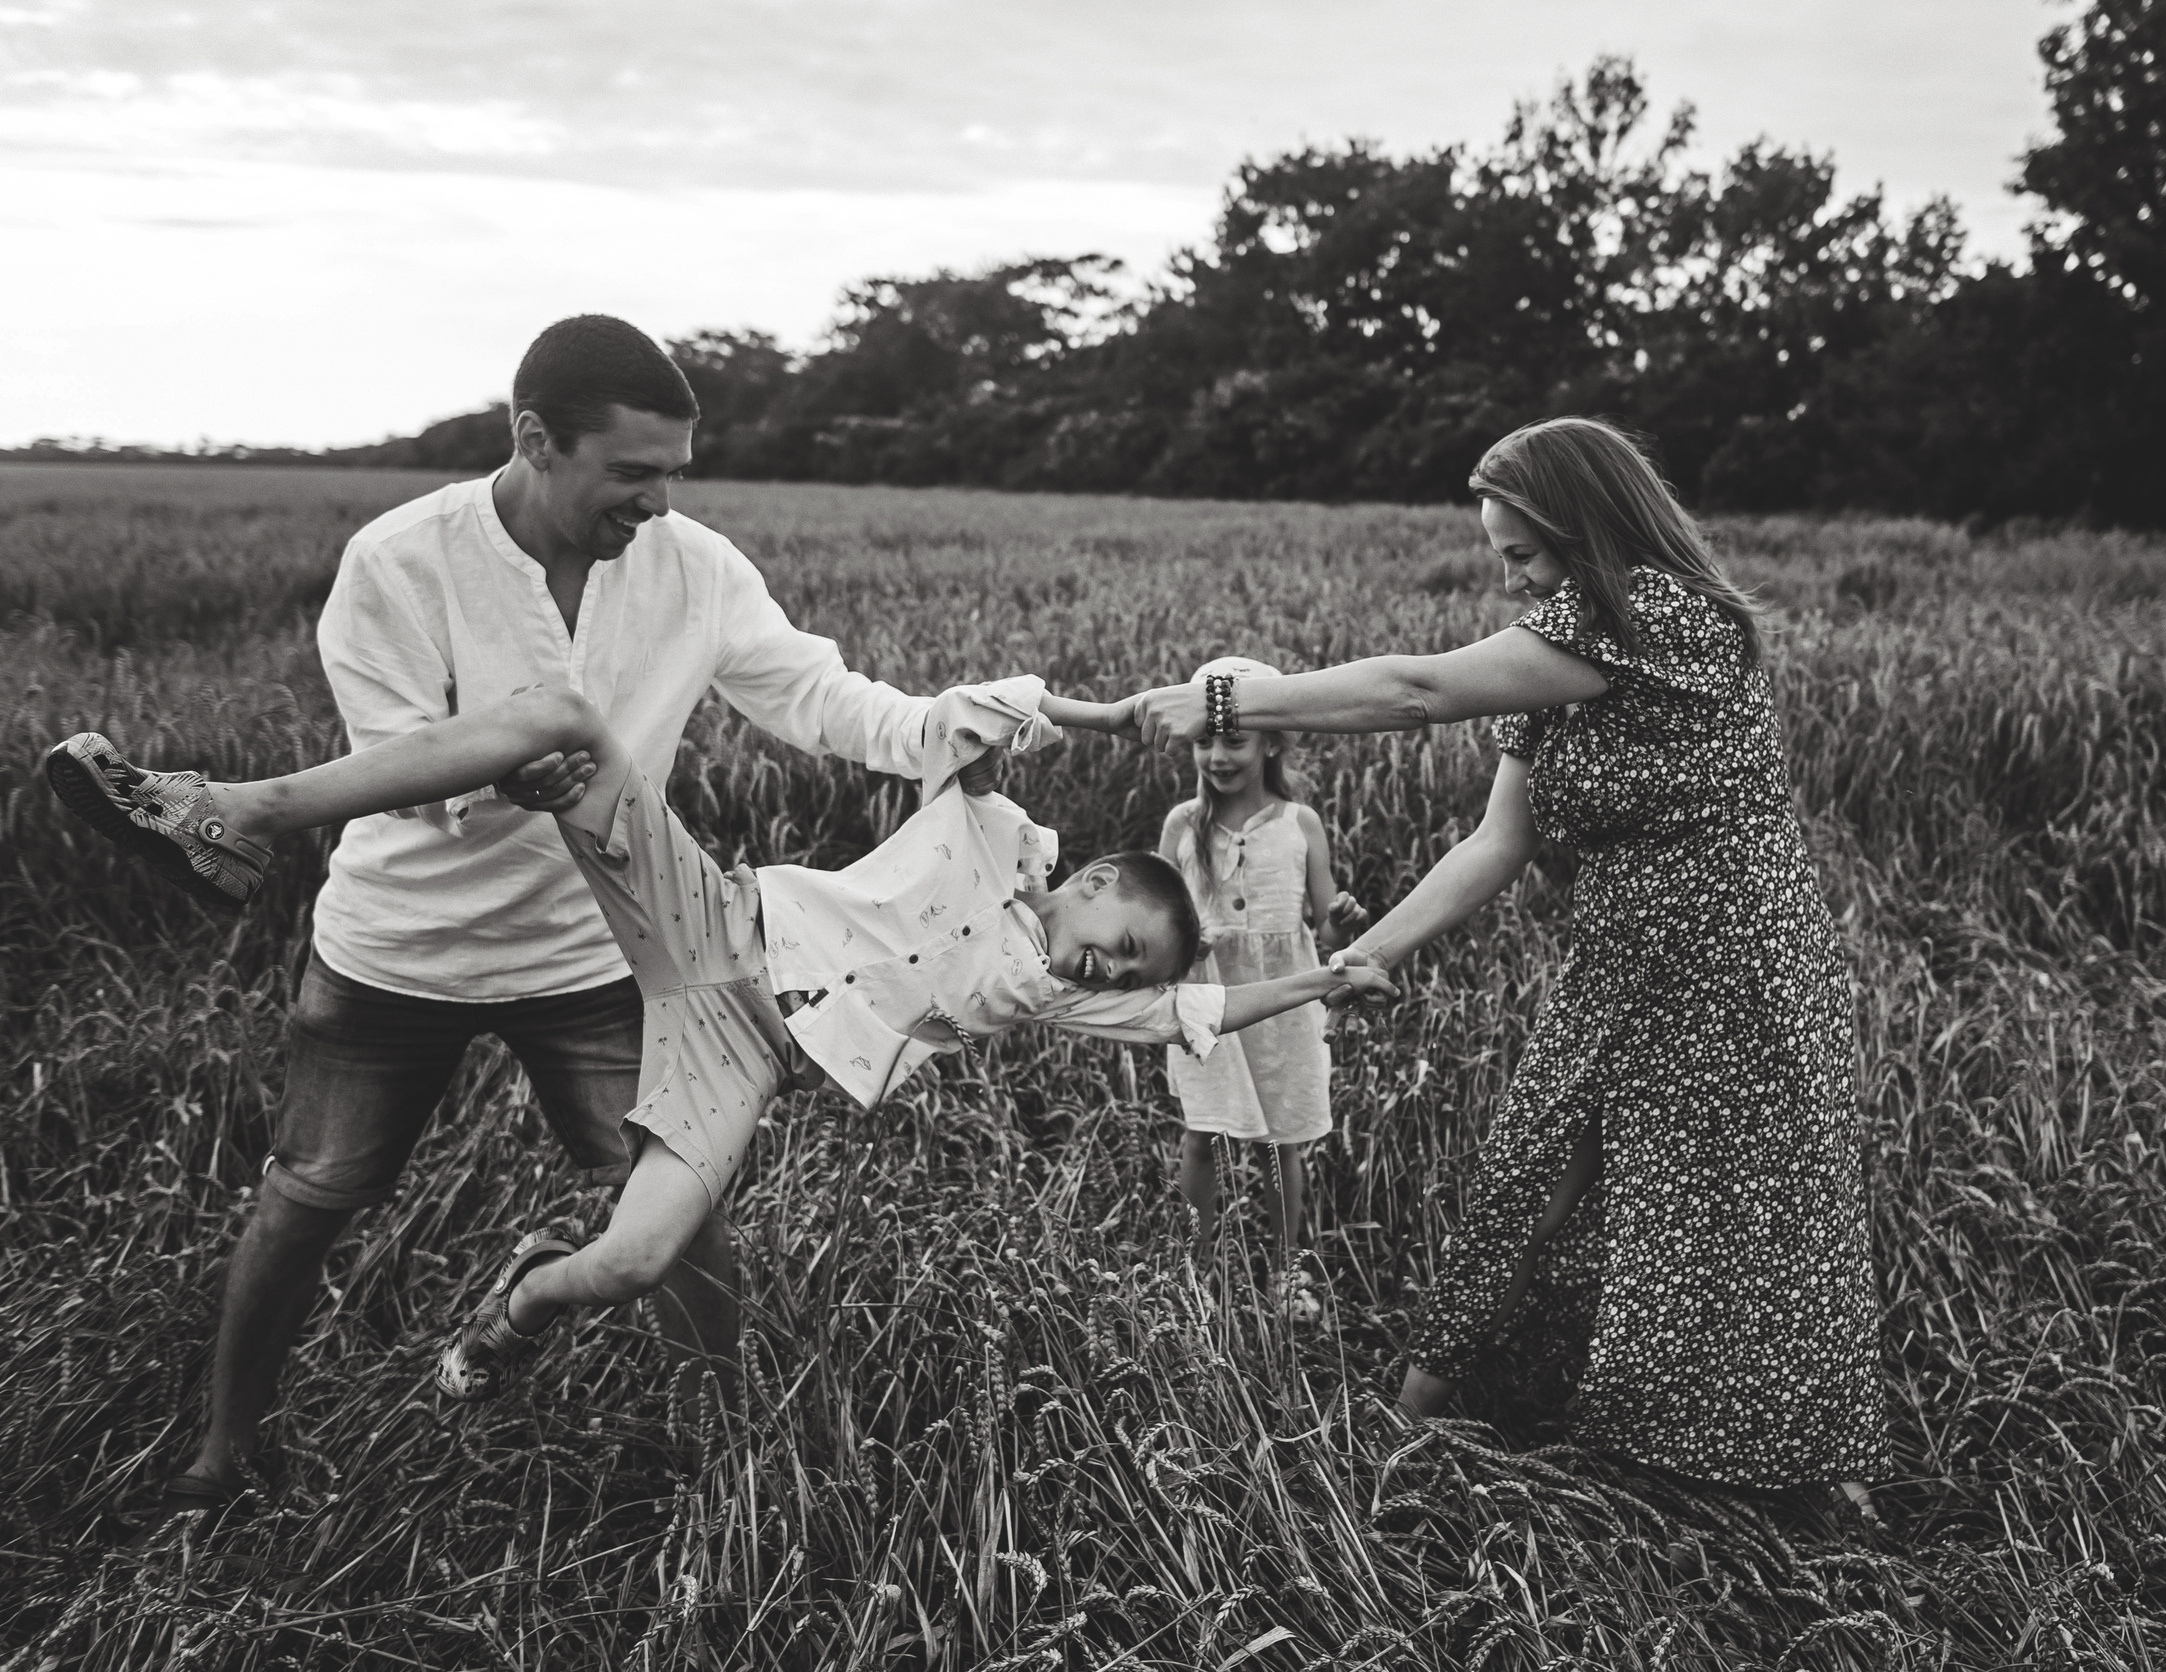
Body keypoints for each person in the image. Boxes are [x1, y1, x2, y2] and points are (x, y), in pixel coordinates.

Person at [134, 315, 1008, 1517]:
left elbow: (814, 693)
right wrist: (510, 774)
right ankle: (219, 1457)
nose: (657, 500)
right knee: (307, 1195)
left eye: (674, 474)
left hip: (597, 949)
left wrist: (938, 727)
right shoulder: (397, 560)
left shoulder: (694, 565)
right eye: (632, 472)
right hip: (400, 948)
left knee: (681, 1196)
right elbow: (398, 765)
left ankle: (724, 1459)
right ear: (534, 438)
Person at [46, 682, 1396, 1399]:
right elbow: (972, 726)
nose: (1104, 963)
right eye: (1110, 933)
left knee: (629, 1258)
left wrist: (1327, 973)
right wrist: (1107, 716)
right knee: (569, 723)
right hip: (712, 920)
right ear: (1091, 877)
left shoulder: (1057, 996)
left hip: (738, 1051)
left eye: (1120, 971)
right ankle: (228, 808)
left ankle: (516, 1306)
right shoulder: (992, 831)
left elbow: (1197, 1011)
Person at [1127, 418, 1883, 1497]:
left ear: (1587, 525)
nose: (1513, 581)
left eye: (1524, 554)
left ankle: (1794, 1463)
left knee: (1738, 1201)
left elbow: (1416, 691)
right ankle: (1412, 1418)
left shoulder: (1665, 613)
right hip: (1621, 955)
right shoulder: (1558, 650)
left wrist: (1224, 698)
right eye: (1499, 560)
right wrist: (1366, 954)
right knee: (1531, 1166)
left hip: (1735, 955)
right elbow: (1498, 839)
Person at [1156, 657, 1367, 1312]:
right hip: (1207, 1000)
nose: (1217, 755)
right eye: (1206, 739)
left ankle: (1285, 1268)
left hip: (1281, 1003)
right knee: (1201, 1133)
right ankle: (1194, 1270)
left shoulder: (1299, 824)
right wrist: (1187, 941)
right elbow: (1158, 922)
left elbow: (1327, 926)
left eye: (1234, 738)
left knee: (1284, 1142)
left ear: (1272, 739)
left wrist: (1343, 919)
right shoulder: (1181, 826)